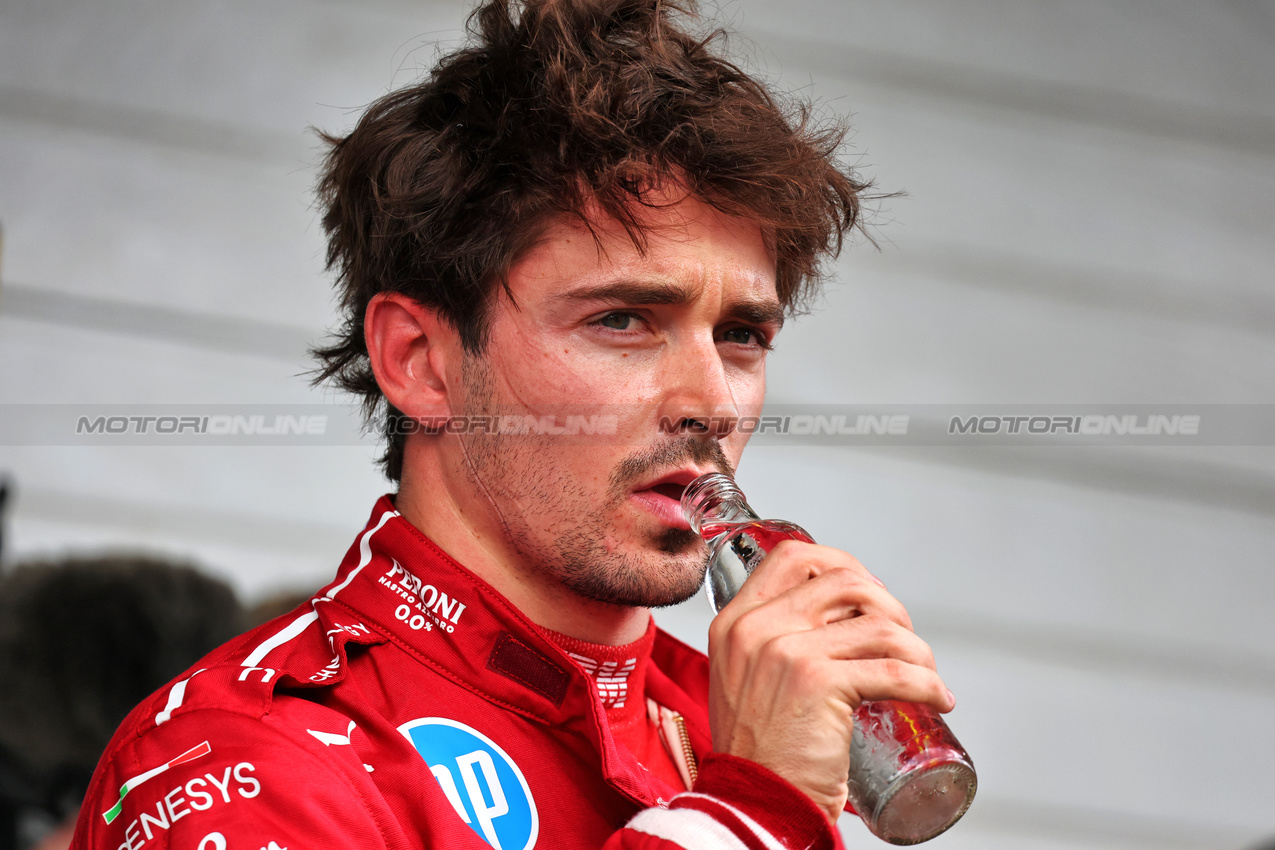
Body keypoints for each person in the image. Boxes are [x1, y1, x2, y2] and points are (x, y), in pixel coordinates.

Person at [71, 1, 956, 848]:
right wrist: (748, 816)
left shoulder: (724, 723)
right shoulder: (246, 760)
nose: (710, 401)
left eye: (740, 336)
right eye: (621, 320)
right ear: (420, 362)